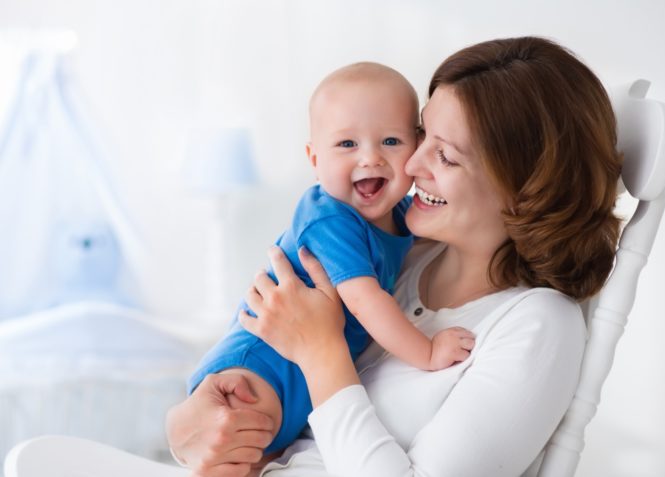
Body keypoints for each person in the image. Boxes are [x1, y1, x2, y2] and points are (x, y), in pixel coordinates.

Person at [166, 36, 623, 477]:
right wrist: (188, 430)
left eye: (443, 155)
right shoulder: (396, 255)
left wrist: (320, 351)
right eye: (421, 135)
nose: (409, 164)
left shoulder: (538, 325)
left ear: (524, 190)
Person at [184, 62, 476, 457]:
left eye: (391, 141)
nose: (370, 158)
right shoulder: (329, 218)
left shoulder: (404, 215)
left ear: (416, 144)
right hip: (259, 367)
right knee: (235, 449)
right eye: (346, 145)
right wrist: (427, 352)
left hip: (303, 379)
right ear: (314, 158)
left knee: (256, 459)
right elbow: (365, 301)